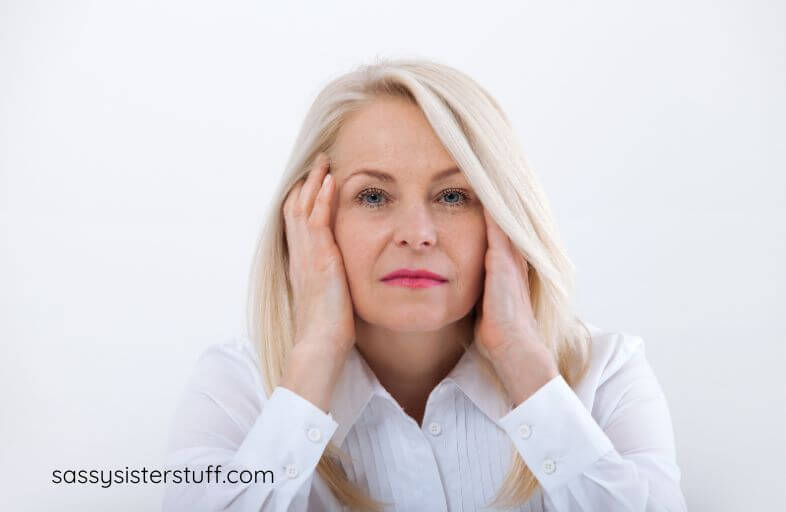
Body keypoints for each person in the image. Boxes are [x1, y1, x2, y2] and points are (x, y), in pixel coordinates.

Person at [162, 57, 688, 511]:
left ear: (506, 216)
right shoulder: (238, 384)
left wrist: (524, 360)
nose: (417, 235)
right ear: (312, 218)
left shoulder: (605, 372)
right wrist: (317, 349)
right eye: (373, 197)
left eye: (454, 196)